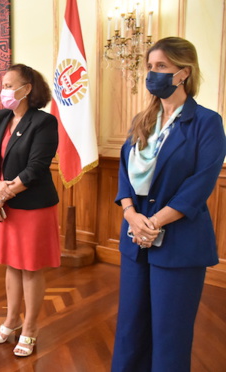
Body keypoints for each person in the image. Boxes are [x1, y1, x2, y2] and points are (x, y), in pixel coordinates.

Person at [111, 37, 226, 372]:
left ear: (183, 73)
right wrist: (132, 215)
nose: (152, 73)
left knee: (170, 333)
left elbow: (200, 184)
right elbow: (124, 173)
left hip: (179, 241)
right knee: (131, 327)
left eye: (161, 66)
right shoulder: (141, 120)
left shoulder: (206, 122)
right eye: (150, 67)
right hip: (136, 239)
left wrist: (155, 222)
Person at [0, 64, 60, 357]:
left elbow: (36, 169)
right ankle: (11, 321)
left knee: (30, 267)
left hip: (32, 206)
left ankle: (31, 327)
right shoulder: (1, 117)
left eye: (10, 85)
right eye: (3, 84)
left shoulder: (44, 122)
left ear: (28, 88)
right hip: (5, 203)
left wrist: (3, 195)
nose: (4, 91)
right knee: (12, 264)